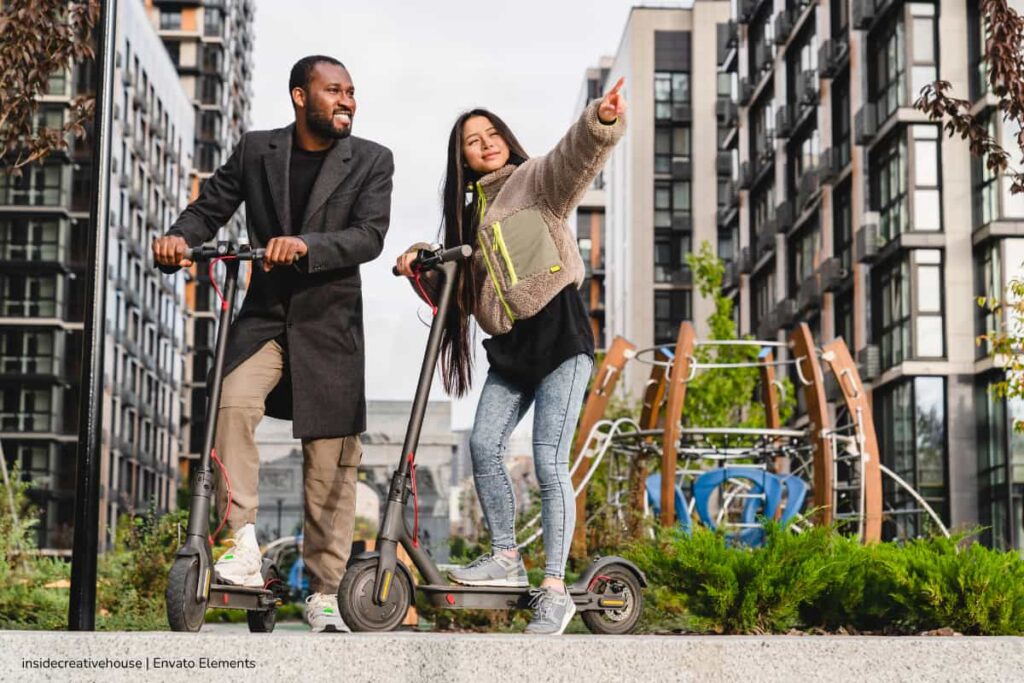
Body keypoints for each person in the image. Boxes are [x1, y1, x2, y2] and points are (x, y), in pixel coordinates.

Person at [153, 55, 393, 633]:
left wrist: (306, 244)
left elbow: (369, 236)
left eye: (351, 91)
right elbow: (210, 207)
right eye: (333, 90)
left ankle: (327, 592)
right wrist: (178, 238)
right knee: (229, 402)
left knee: (330, 464)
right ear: (299, 96)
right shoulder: (257, 150)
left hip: (329, 327)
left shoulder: (371, 159)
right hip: (265, 318)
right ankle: (240, 542)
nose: (347, 100)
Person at [396, 78, 627, 635]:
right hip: (511, 349)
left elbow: (575, 157)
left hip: (560, 336)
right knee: (483, 444)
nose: (486, 144)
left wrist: (600, 121)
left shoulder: (535, 182)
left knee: (548, 459)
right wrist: (417, 259)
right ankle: (506, 556)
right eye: (472, 142)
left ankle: (555, 588)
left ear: (506, 138)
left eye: (492, 133)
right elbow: (454, 289)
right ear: (463, 160)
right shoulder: (467, 222)